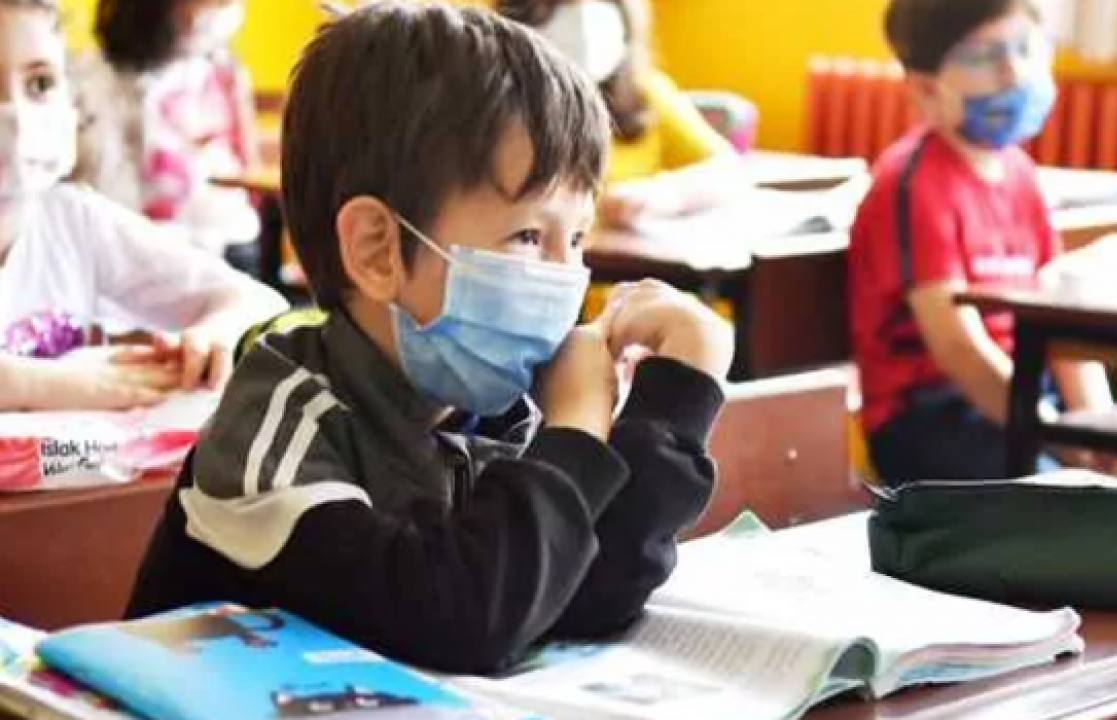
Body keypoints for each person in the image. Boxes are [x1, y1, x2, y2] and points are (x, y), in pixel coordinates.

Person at [127, 1, 735, 675]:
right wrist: (575, 436)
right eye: (528, 236)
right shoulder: (278, 422)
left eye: (578, 238)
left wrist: (676, 401)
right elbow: (457, 621)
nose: (566, 278)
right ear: (377, 250)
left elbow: (585, 596)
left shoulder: (495, 410)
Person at [849, 0, 1117, 484]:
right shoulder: (913, 183)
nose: (1014, 72)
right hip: (930, 417)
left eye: (1026, 48)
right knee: (1070, 499)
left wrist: (1100, 429)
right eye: (982, 56)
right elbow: (958, 348)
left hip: (1022, 399)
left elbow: (1060, 319)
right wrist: (1058, 437)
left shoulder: (1021, 175)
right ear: (925, 89)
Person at [0, 0, 285, 411]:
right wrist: (46, 384)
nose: (17, 117)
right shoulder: (109, 81)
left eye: (41, 84)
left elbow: (258, 300)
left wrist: (211, 336)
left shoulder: (73, 220)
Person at [497, 0, 747, 230]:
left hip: (626, 259)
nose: (582, 25)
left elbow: (726, 168)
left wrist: (661, 195)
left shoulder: (645, 93)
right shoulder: (498, 104)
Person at [72, 0, 262, 270]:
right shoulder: (89, 83)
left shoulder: (224, 73)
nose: (227, 6)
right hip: (129, 256)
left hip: (226, 247)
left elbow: (248, 172)